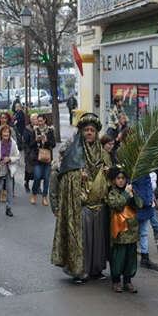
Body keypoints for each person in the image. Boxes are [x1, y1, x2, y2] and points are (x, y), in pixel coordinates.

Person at [51, 112, 111, 283]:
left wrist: (109, 173)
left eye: (92, 130)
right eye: (87, 130)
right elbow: (64, 178)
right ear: (82, 133)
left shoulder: (104, 155)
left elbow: (115, 178)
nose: (90, 133)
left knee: (98, 240)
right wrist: (78, 176)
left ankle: (96, 269)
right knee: (82, 239)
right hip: (81, 206)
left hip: (99, 204)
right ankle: (79, 270)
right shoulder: (74, 154)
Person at [107, 166, 143, 293]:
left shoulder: (130, 190)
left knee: (131, 257)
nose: (121, 181)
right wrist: (126, 194)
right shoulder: (112, 193)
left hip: (132, 230)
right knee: (118, 257)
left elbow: (139, 205)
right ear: (114, 180)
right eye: (118, 178)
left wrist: (132, 196)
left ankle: (128, 281)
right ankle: (116, 281)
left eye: (123, 178)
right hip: (120, 231)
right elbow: (116, 205)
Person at [0, 124, 20, 217]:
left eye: (8, 132)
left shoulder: (13, 143)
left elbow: (17, 156)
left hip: (9, 167)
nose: (6, 134)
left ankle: (8, 208)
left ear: (10, 134)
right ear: (1, 133)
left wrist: (9, 159)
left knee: (9, 189)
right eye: (4, 132)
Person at [29, 114, 56, 206]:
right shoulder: (35, 131)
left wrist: (47, 141)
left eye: (41, 121)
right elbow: (30, 145)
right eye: (38, 121)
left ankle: (44, 197)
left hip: (47, 158)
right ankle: (34, 194)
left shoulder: (50, 131)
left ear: (45, 120)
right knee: (37, 177)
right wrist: (36, 140)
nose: (39, 123)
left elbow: (53, 144)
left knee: (46, 178)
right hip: (38, 158)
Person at [23, 113, 38, 192]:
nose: (37, 120)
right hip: (30, 152)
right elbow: (26, 142)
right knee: (29, 170)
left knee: (38, 170)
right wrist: (28, 153)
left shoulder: (39, 128)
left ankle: (37, 186)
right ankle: (27, 183)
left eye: (37, 118)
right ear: (31, 120)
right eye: (35, 119)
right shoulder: (27, 129)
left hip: (38, 152)